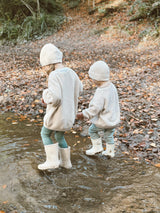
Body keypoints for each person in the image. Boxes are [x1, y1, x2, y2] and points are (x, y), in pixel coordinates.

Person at [38, 43, 83, 170]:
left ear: (48, 63)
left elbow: (55, 98)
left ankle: (52, 161)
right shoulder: (71, 72)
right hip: (68, 116)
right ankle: (66, 163)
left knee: (45, 134)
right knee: (59, 136)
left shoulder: (54, 75)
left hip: (56, 117)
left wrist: (45, 95)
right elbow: (80, 89)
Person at [76, 61, 120, 157]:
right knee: (109, 135)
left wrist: (83, 114)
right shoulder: (111, 86)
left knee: (92, 130)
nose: (92, 81)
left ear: (97, 78)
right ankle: (110, 152)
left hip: (104, 120)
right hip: (112, 118)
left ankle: (97, 147)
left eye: (92, 79)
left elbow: (94, 109)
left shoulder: (101, 92)